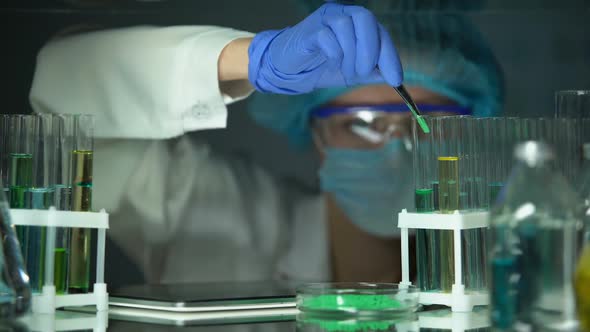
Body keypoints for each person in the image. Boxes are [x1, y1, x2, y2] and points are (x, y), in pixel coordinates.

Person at [247, 12, 503, 281]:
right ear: (315, 133)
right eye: (359, 123)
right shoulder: (239, 222)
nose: (394, 152)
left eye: (428, 123)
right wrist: (250, 58)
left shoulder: (509, 259)